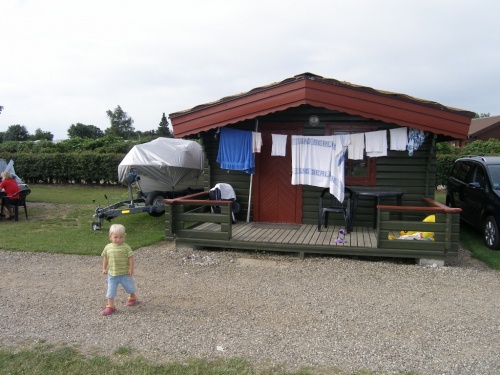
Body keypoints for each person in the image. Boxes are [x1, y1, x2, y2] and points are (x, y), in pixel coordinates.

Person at [101, 224, 138, 316]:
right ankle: (110, 306)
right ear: (110, 236)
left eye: (121, 237)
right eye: (116, 237)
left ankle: (132, 297)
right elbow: (105, 258)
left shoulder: (126, 247)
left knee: (130, 288)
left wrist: (131, 269)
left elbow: (131, 258)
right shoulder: (108, 247)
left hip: (124, 274)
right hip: (112, 275)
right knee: (110, 291)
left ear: (124, 236)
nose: (118, 239)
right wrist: (104, 268)